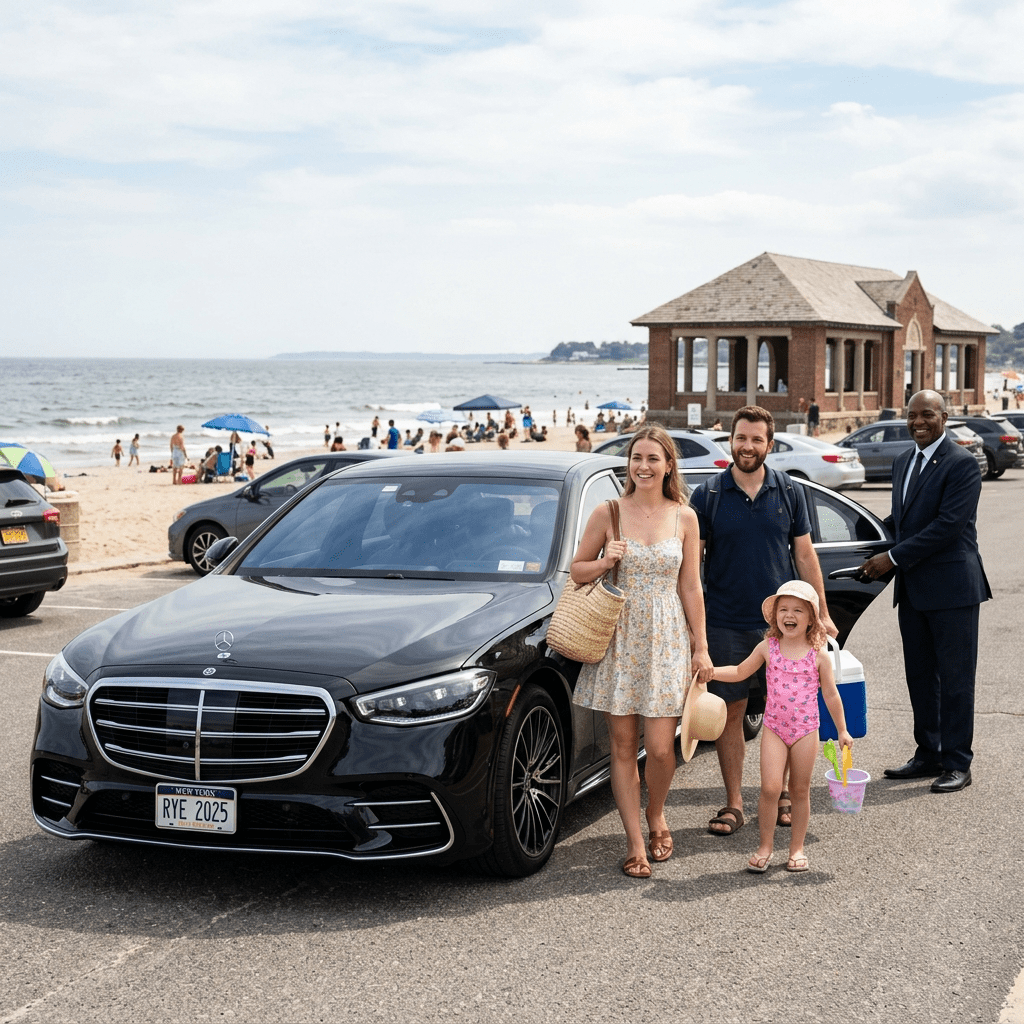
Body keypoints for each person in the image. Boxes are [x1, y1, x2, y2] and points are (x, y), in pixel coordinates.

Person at [571, 424, 713, 878]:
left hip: (667, 638)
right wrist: (606, 560)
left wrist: (701, 646)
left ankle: (657, 813)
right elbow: (576, 572)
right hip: (621, 638)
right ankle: (635, 841)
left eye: (653, 458)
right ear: (628, 464)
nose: (644, 466)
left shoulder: (684, 517)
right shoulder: (608, 512)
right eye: (636, 458)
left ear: (669, 465)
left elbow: (690, 585)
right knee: (622, 744)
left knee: (661, 748)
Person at [690, 406, 837, 838]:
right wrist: (695, 627)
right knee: (730, 712)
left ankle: (788, 796)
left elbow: (806, 556)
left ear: (769, 445)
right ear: (730, 441)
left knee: (791, 710)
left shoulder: (789, 490)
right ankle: (734, 803)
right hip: (725, 621)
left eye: (756, 439)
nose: (747, 446)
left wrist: (822, 614)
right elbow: (693, 564)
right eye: (741, 438)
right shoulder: (708, 495)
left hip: (785, 624)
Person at [859, 390, 991, 793]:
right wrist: (859, 536)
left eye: (927, 415)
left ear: (944, 417)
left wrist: (892, 559)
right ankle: (928, 753)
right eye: (912, 415)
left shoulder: (962, 463)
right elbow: (902, 519)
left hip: (953, 589)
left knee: (955, 679)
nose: (918, 422)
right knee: (920, 677)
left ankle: (957, 762)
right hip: (914, 591)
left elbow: (947, 526)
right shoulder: (903, 461)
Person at [713, 580, 851, 873]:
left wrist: (842, 730)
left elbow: (831, 694)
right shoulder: (767, 647)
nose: (790, 615)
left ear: (811, 617)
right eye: (784, 609)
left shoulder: (818, 655)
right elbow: (739, 671)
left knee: (800, 791)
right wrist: (710, 671)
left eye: (798, 610)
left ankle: (797, 849)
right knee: (770, 788)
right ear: (775, 615)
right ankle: (765, 846)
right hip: (775, 728)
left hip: (805, 731)